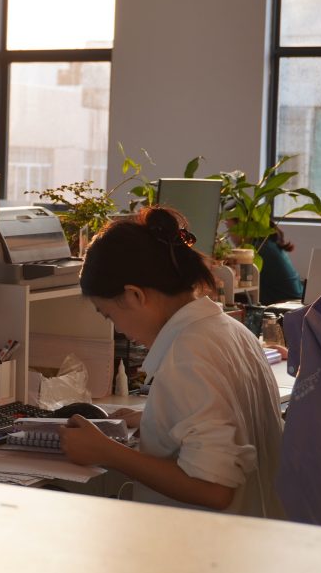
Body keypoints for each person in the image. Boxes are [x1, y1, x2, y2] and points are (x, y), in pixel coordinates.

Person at [58, 206, 285, 518]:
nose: (119, 329)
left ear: (135, 296)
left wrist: (109, 453)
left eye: (110, 315)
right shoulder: (227, 329)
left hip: (210, 553)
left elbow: (214, 489)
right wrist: (155, 420)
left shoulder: (189, 355)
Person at [256, 222, 304, 305]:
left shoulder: (260, 250)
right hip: (297, 299)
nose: (230, 234)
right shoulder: (269, 245)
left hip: (284, 305)